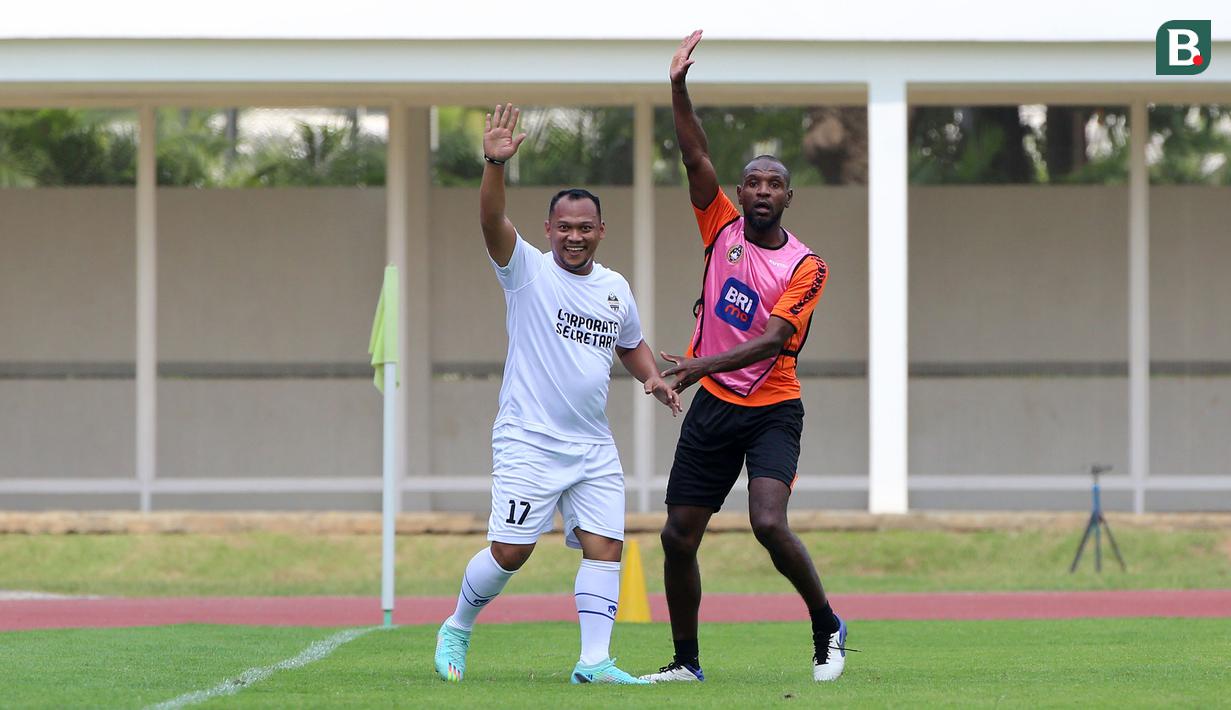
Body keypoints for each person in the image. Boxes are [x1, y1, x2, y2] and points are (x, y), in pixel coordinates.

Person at [433, 103, 680, 686]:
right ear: (548, 230)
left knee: (606, 547)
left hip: (592, 444)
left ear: (600, 230)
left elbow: (631, 343)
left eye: (585, 227)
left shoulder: (615, 288)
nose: (574, 236)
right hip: (529, 438)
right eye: (564, 227)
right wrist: (494, 161)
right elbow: (492, 221)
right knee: (511, 553)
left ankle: (593, 663)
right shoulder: (527, 271)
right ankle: (458, 626)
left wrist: (650, 376)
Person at [639, 30, 846, 684]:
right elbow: (692, 150)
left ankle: (825, 623)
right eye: (751, 180)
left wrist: (699, 366)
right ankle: (686, 663)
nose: (759, 190)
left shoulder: (806, 265)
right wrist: (676, 87)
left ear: (788, 197)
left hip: (771, 408)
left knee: (765, 521)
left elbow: (773, 341)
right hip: (715, 409)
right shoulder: (719, 226)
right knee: (676, 536)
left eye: (772, 183)